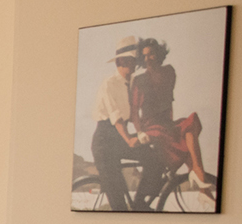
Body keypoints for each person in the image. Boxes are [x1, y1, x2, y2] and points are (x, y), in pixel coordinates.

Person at [130, 37, 214, 205]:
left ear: (159, 54)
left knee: (191, 122)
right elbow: (134, 112)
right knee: (183, 139)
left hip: (166, 123)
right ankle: (200, 180)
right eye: (144, 56)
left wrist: (171, 125)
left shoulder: (169, 72)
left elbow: (168, 103)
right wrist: (139, 132)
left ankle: (199, 178)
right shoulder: (139, 81)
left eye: (151, 54)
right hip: (151, 126)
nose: (147, 59)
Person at [89, 36, 154, 212]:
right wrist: (129, 139)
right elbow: (116, 117)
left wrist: (143, 133)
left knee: (153, 157)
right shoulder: (109, 83)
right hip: (105, 140)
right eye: (131, 60)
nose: (134, 65)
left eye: (135, 61)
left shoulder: (133, 82)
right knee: (118, 202)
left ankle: (140, 202)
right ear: (120, 61)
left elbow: (134, 114)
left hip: (120, 136)